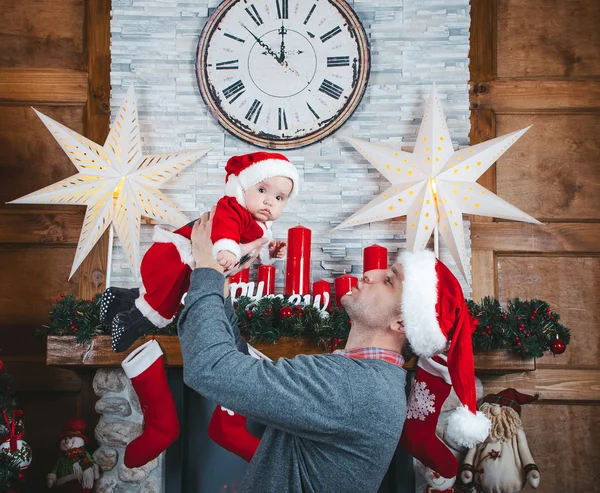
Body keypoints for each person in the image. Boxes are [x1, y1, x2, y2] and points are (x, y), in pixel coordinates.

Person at [178, 208, 408, 493]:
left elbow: (210, 368)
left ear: (402, 322)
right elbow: (247, 374)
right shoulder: (365, 379)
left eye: (389, 281)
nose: (370, 273)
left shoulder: (352, 385)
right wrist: (222, 285)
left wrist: (206, 271)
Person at [100, 151, 299, 353]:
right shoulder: (232, 208)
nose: (269, 201)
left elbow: (255, 244)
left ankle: (117, 300)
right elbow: (226, 228)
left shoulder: (259, 224)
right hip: (177, 258)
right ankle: (128, 325)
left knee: (162, 291)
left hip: (191, 264)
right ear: (242, 187)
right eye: (262, 189)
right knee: (162, 303)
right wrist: (228, 249)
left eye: (279, 197)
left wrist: (270, 253)